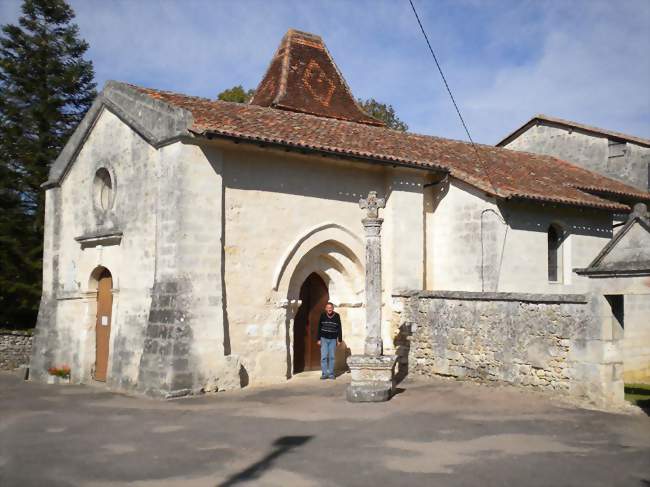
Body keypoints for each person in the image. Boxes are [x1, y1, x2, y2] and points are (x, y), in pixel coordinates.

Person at [317, 302, 342, 380]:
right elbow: (319, 327)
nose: (329, 309)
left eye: (330, 307)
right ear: (326, 309)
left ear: (333, 308)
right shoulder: (322, 315)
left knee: (332, 357)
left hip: (333, 339)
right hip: (323, 338)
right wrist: (318, 339)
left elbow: (339, 328)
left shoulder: (337, 316)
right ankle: (324, 374)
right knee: (324, 357)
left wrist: (339, 339)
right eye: (328, 307)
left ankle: (331, 374)